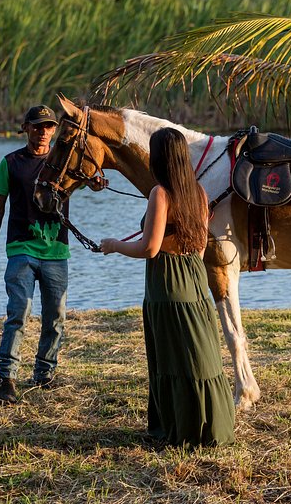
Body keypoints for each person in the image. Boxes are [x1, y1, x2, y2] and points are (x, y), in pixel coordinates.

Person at [100, 127, 235, 447]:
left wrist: (114, 245)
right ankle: (211, 426)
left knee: (172, 357)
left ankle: (178, 426)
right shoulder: (199, 193)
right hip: (194, 278)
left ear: (160, 158)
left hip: (167, 282)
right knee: (200, 355)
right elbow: (201, 244)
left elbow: (150, 247)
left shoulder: (160, 194)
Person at [0, 104, 69, 404]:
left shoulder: (64, 162)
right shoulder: (11, 162)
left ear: (54, 130)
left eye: (48, 126)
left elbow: (89, 182)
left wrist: (97, 182)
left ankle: (44, 373)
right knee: (18, 312)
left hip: (57, 251)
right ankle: (7, 378)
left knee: (55, 316)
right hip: (21, 250)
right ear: (26, 128)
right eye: (37, 126)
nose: (42, 132)